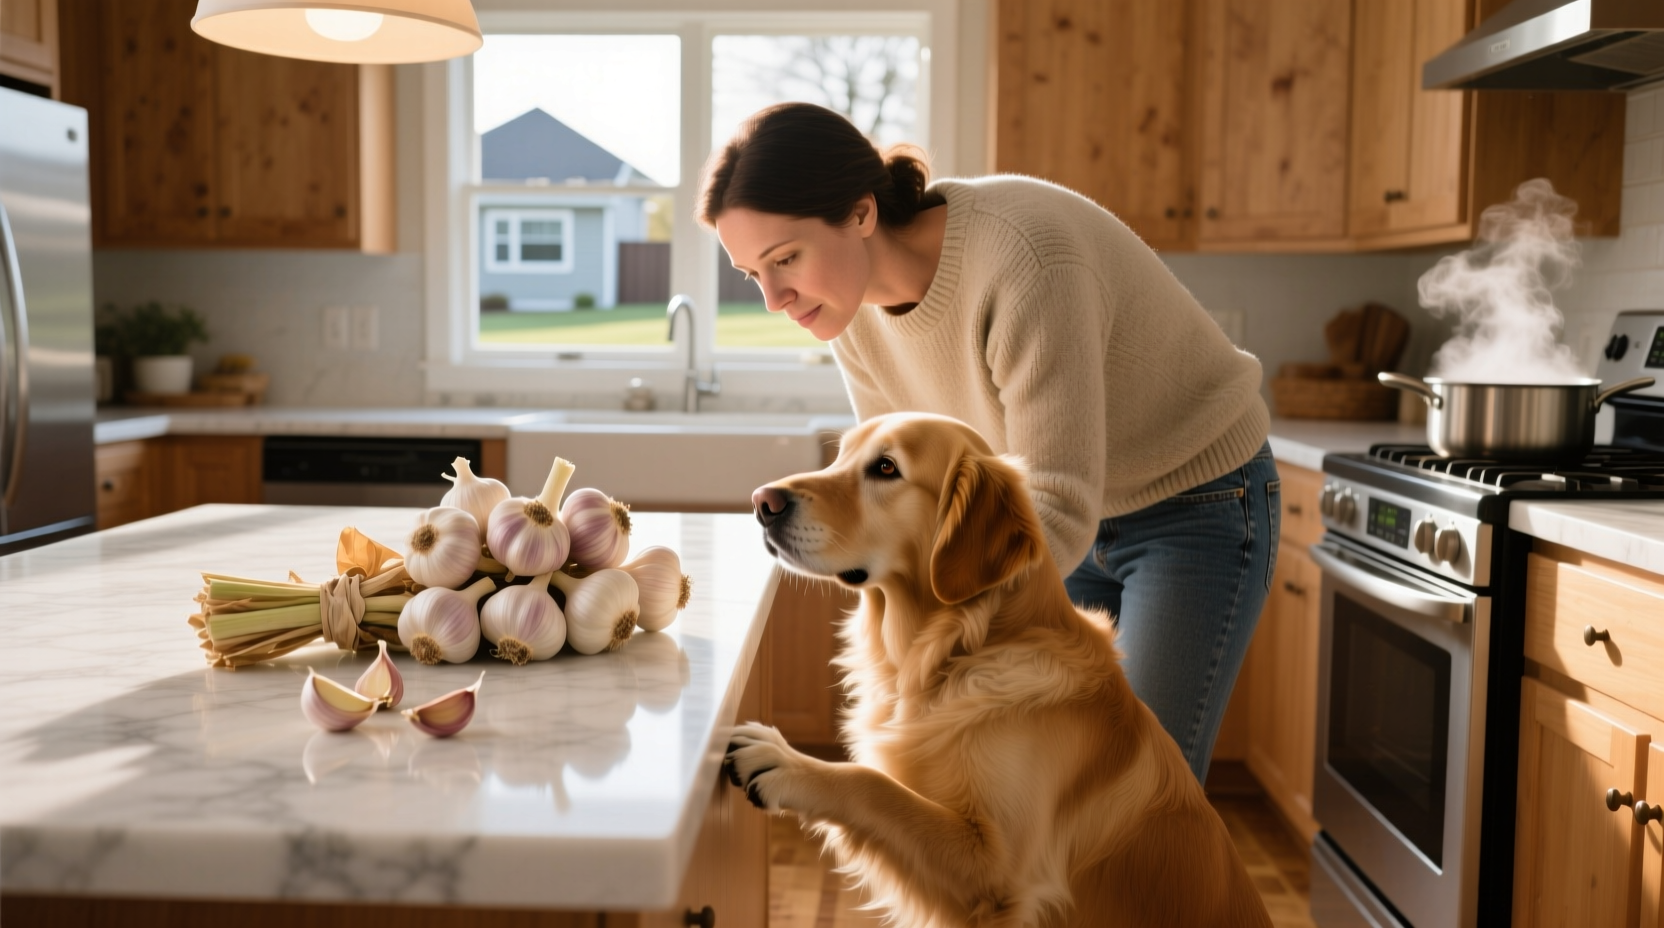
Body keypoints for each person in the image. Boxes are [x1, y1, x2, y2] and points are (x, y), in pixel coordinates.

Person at [699, 102, 1278, 785]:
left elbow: (1055, 507)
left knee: (1142, 791)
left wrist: (932, 641)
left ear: (859, 214)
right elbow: (904, 505)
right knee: (1042, 795)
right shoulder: (847, 311)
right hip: (1050, 523)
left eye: (784, 259)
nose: (773, 298)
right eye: (751, 274)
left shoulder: (1025, 259)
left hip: (1195, 502)